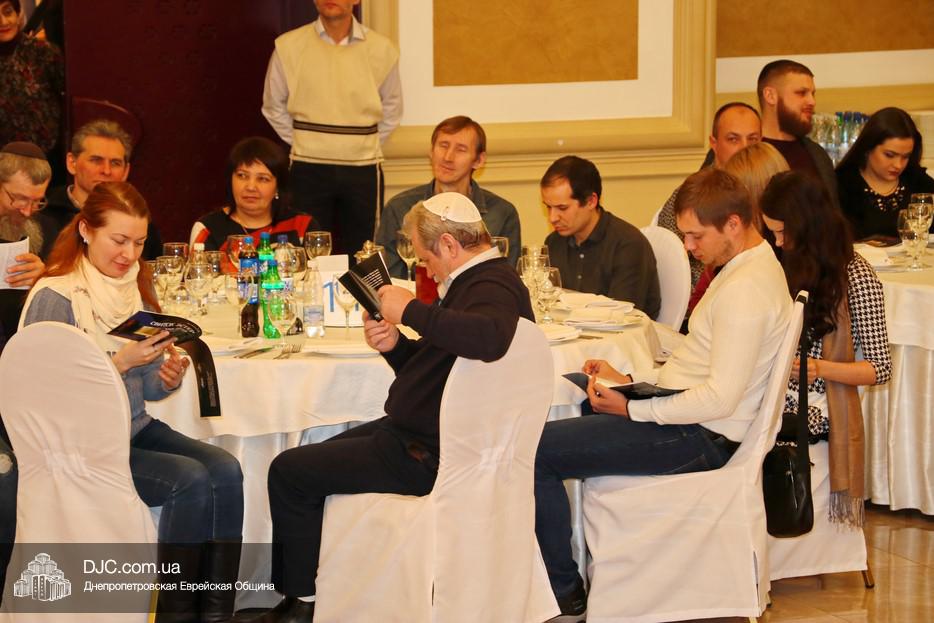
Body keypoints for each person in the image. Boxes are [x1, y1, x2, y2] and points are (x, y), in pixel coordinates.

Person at [252, 192, 534, 622]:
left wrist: (411, 310)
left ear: (448, 245)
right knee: (308, 461)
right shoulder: (477, 283)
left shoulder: (491, 286)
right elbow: (439, 371)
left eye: (426, 258)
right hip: (424, 434)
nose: (427, 269)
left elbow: (489, 339)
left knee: (290, 473)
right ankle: (325, 593)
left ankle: (300, 606)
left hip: (433, 453)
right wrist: (396, 345)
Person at [534, 168, 792, 619]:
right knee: (578, 390)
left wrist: (633, 409)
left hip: (702, 437)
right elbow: (701, 360)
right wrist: (630, 379)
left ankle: (564, 593)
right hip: (691, 422)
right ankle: (579, 568)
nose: (689, 247)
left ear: (733, 224)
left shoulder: (746, 291)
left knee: (534, 450)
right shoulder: (748, 267)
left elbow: (719, 399)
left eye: (696, 236)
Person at [21, 182, 244, 622]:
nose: (129, 255)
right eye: (119, 240)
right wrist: (118, 363)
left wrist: (163, 378)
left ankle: (215, 612)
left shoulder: (130, 288)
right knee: (188, 480)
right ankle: (176, 614)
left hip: (131, 426)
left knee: (225, 469)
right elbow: (42, 397)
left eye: (139, 243)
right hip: (76, 443)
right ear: (86, 230)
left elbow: (145, 388)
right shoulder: (57, 296)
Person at [760, 171, 891, 528]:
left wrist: (817, 368)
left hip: (819, 401)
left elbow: (880, 368)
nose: (778, 242)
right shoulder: (785, 263)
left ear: (806, 225)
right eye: (773, 232)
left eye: (782, 232)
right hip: (781, 388)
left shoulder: (857, 276)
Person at [262, 0, 402, 260]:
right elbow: (272, 106)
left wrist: (360, 144)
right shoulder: (289, 46)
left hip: (363, 166)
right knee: (305, 250)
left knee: (363, 251)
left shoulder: (382, 49)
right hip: (307, 166)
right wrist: (306, 141)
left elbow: (393, 109)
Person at [376, 115, 521, 276]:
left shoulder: (502, 213)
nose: (448, 157)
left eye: (461, 149)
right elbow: (389, 275)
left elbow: (506, 275)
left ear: (479, 160)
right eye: (443, 146)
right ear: (431, 152)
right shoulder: (399, 207)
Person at [0, 141, 47, 606]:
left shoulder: (33, 233)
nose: (26, 211)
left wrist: (45, 278)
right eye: (17, 199)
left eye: (36, 202)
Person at [657, 102, 762, 288]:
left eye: (752, 139)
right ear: (714, 143)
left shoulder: (766, 189)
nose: (744, 148)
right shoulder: (690, 198)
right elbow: (672, 269)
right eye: (733, 139)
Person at [542, 155, 660, 318]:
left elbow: (623, 315)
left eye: (562, 208)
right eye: (548, 207)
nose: (552, 218)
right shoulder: (554, 242)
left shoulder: (628, 245)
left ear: (591, 201)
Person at [37, 119, 163, 260]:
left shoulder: (139, 224)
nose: (106, 171)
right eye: (96, 160)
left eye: (115, 163)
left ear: (126, 171)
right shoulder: (42, 215)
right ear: (72, 163)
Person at [190, 136, 315, 255]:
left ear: (278, 187)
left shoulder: (302, 226)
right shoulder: (208, 229)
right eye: (242, 176)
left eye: (263, 179)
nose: (250, 187)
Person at [836, 107, 934, 240]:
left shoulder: (918, 182)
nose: (898, 165)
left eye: (905, 157)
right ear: (868, 148)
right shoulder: (842, 185)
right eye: (889, 155)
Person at [757, 59, 839, 209]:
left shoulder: (817, 155)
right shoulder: (744, 151)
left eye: (812, 94)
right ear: (770, 96)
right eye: (801, 93)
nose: (812, 101)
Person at [0, 0, 63, 155]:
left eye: (8, 12)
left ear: (17, 14)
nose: (3, 22)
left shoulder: (42, 52)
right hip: (4, 160)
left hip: (46, 156)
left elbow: (65, 100)